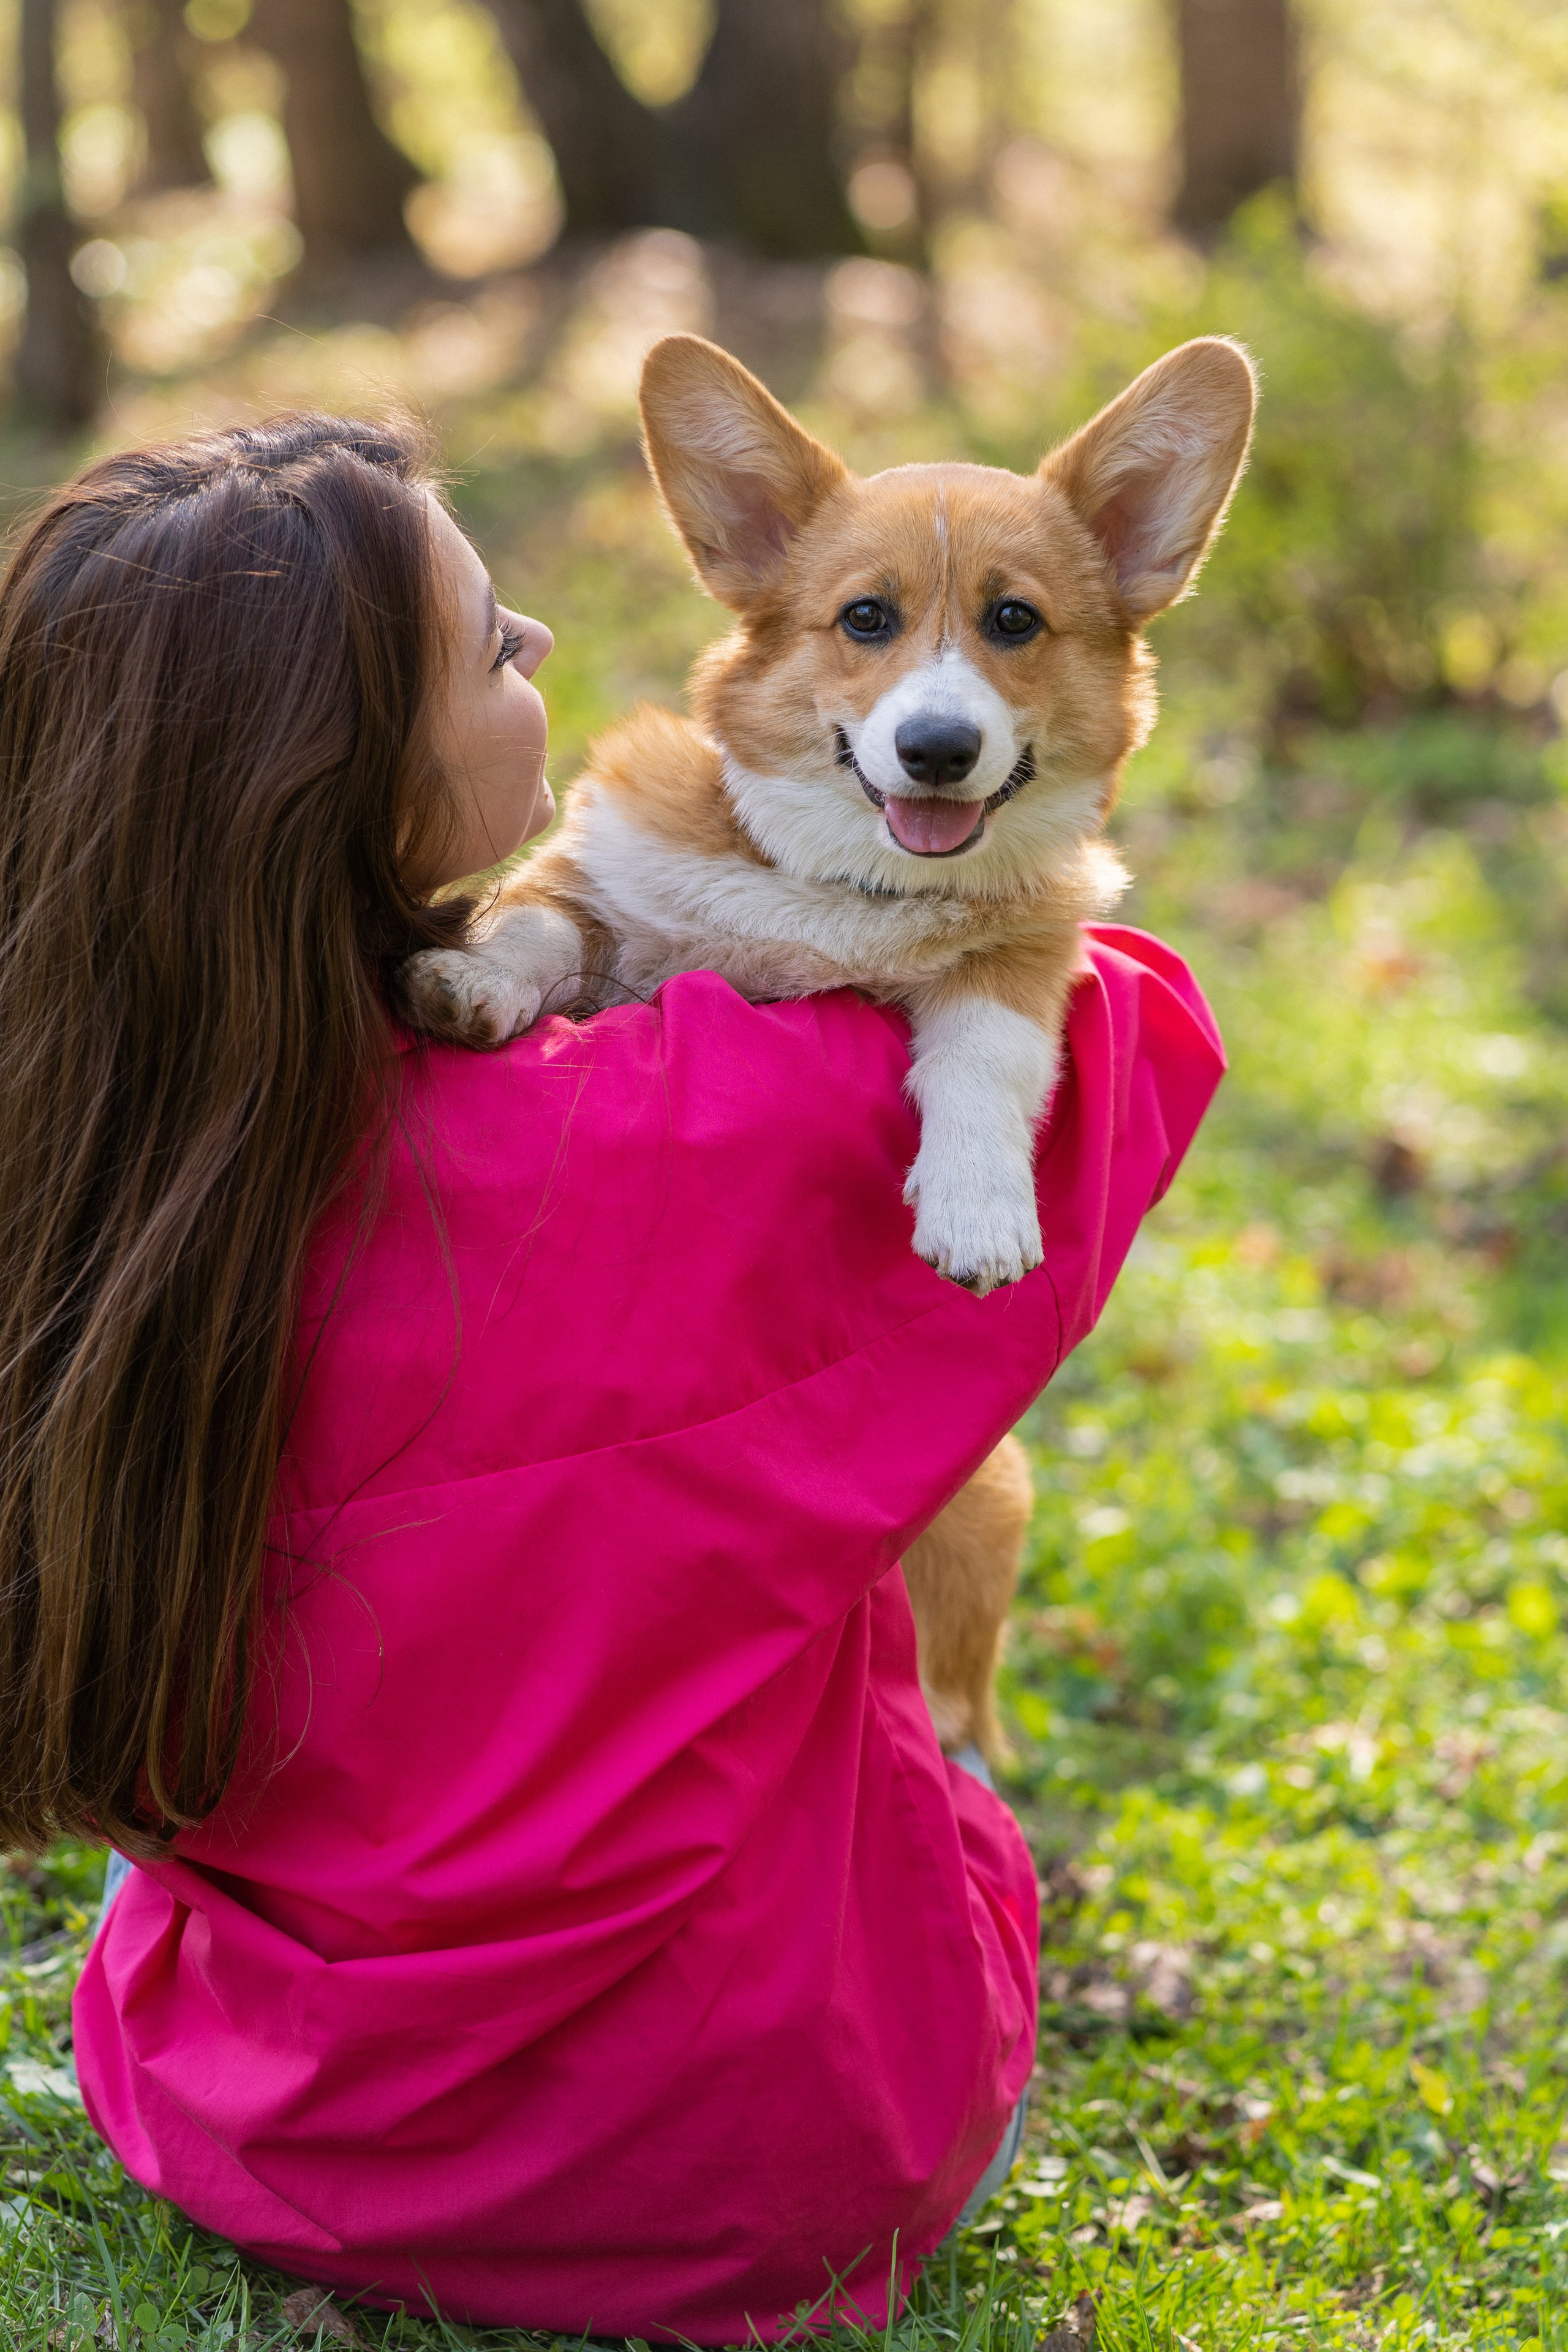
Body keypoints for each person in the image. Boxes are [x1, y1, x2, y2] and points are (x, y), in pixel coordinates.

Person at [0, 414, 1223, 2342]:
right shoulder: (743, 1122)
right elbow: (1131, 1032)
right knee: (939, 1773)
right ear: (341, 755)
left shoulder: (113, 1157)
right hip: (767, 2160)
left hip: (271, 2123)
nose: (554, 644)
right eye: (497, 643)